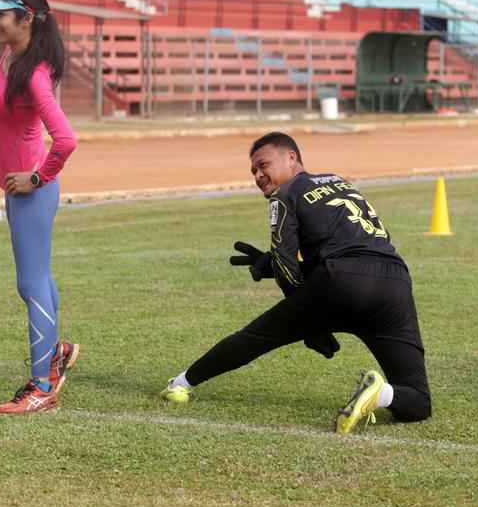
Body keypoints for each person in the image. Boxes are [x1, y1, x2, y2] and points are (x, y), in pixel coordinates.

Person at [160, 132, 432, 434]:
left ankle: (181, 383)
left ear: (291, 158)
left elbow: (288, 268)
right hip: (394, 282)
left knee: (255, 337)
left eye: (263, 165)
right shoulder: (339, 181)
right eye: (253, 171)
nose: (258, 175)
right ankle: (383, 394)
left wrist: (310, 322)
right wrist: (274, 266)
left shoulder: (285, 195)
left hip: (340, 282)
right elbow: (351, 245)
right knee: (418, 401)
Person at [0, 0, 79, 414]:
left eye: (0, 14)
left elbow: (66, 140)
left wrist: (37, 178)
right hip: (19, 189)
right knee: (38, 278)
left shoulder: (35, 74)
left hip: (31, 191)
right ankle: (56, 353)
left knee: (30, 284)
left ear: (26, 18)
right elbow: (8, 103)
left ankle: (42, 387)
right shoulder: (12, 55)